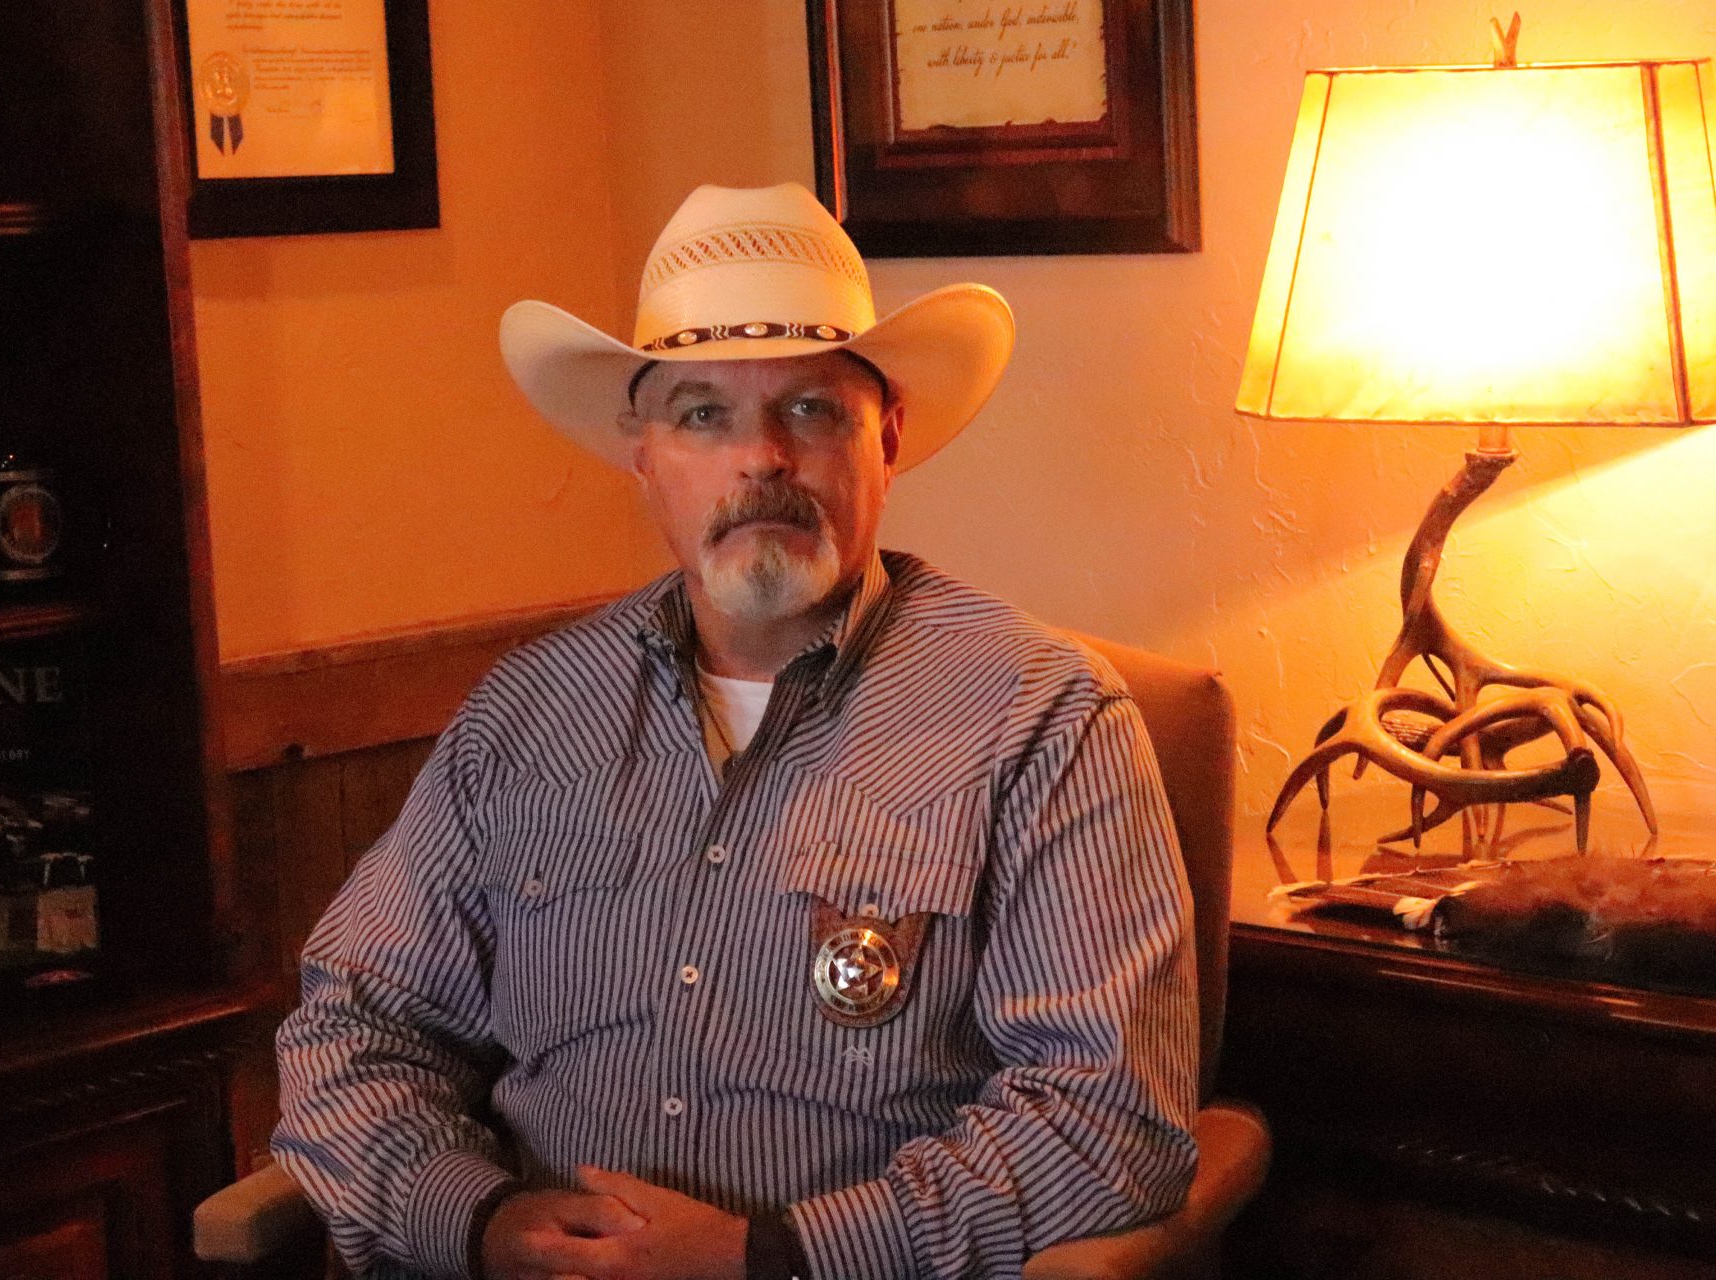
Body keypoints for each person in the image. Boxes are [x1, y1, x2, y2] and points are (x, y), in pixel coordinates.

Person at [272, 182, 1199, 1280]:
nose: (760, 457)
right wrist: (478, 1222)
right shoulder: (523, 718)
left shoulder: (1038, 716)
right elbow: (356, 1027)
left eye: (809, 408)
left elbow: (1108, 1119)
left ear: (887, 436)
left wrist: (776, 1254)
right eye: (703, 413)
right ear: (644, 457)